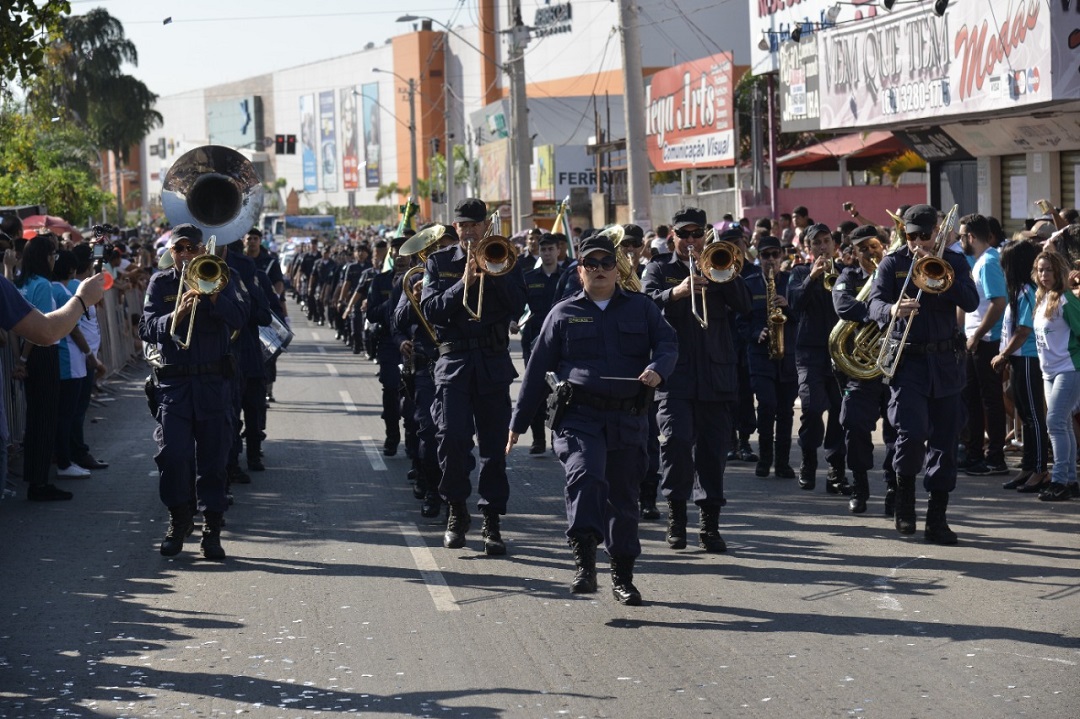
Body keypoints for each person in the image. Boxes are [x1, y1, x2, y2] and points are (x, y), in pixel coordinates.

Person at [507, 234, 677, 604]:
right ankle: (585, 563)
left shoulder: (641, 308)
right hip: (580, 416)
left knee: (623, 498)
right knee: (585, 475)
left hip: (628, 418)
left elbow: (668, 343)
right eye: (591, 264)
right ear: (579, 270)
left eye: (606, 263)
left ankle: (623, 575)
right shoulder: (563, 313)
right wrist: (518, 424)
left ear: (618, 268)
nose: (599, 270)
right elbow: (536, 371)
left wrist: (657, 369)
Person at [641, 207, 751, 553]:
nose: (690, 240)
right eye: (684, 234)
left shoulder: (720, 264)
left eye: (696, 234)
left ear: (705, 235)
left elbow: (747, 305)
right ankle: (676, 519)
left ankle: (710, 525)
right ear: (672, 235)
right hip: (675, 375)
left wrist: (725, 273)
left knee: (713, 452)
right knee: (675, 442)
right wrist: (676, 293)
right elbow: (644, 306)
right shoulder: (659, 268)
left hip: (716, 375)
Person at [420, 198, 526, 554]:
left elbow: (518, 305)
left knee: (494, 449)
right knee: (451, 441)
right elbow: (431, 309)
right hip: (454, 364)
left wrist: (492, 275)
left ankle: (492, 521)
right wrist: (462, 281)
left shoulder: (506, 258)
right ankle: (456, 511)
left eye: (474, 225)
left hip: (493, 363)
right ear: (456, 226)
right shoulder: (438, 262)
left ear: (486, 227)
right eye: (462, 226)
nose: (468, 231)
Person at [868, 204, 979, 544]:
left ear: (937, 232)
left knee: (945, 442)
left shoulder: (955, 261)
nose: (918, 242)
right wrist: (891, 309)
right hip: (909, 363)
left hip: (946, 363)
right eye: (911, 235)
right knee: (912, 434)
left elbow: (972, 301)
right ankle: (904, 503)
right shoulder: (893, 263)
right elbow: (873, 303)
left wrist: (942, 280)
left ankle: (937, 518)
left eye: (924, 235)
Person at [140, 224, 245, 559]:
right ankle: (179, 518)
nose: (185, 255)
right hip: (174, 385)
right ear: (171, 253)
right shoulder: (161, 283)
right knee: (173, 455)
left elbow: (244, 316)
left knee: (214, 459)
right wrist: (177, 313)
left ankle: (212, 529)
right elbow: (146, 327)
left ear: (203, 250)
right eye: (178, 250)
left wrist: (215, 297)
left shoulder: (222, 277)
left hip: (213, 384)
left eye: (190, 249)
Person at [831, 225, 896, 514]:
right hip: (862, 367)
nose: (870, 252)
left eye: (874, 246)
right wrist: (877, 311)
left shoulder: (896, 273)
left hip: (894, 363)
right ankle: (859, 485)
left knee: (898, 431)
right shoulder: (849, 277)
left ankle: (894, 487)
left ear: (884, 246)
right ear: (853, 253)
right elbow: (843, 305)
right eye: (863, 249)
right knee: (854, 424)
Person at [787, 222, 849, 495]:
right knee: (812, 407)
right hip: (810, 351)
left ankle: (836, 467)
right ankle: (809, 458)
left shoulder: (847, 272)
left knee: (841, 410)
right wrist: (812, 278)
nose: (822, 246)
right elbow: (794, 304)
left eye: (826, 241)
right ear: (808, 248)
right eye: (816, 243)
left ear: (834, 244)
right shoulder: (798, 272)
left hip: (841, 353)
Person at [11, 234, 68, 500]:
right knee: (45, 419)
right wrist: (24, 359)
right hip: (41, 353)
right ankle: (40, 483)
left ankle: (35, 478)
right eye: (52, 254)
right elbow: (42, 330)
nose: (54, 259)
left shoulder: (21, 283)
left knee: (35, 419)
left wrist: (21, 358)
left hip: (27, 354)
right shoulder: (43, 285)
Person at [990, 240, 1049, 493]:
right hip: (1019, 357)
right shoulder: (1019, 290)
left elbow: (1024, 330)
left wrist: (1003, 354)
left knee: (1034, 415)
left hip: (1028, 357)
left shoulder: (1027, 291)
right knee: (1024, 415)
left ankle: (1040, 469)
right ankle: (1027, 466)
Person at [738, 236, 797, 480]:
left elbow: (804, 316)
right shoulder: (749, 284)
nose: (771, 260)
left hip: (787, 355)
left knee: (785, 411)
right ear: (759, 258)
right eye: (765, 256)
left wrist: (789, 306)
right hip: (760, 355)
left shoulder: (792, 283)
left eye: (775, 255)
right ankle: (765, 459)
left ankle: (782, 463)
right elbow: (739, 321)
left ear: (781, 256)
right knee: (767, 406)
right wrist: (755, 332)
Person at [956, 214, 1009, 476]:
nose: (959, 239)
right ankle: (975, 452)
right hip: (975, 340)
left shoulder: (988, 262)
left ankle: (995, 457)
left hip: (986, 342)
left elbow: (999, 302)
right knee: (973, 399)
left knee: (989, 400)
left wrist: (977, 335)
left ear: (970, 236)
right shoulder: (979, 262)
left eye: (961, 235)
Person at [1029, 251, 1080, 501]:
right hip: (1049, 371)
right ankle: (1070, 481)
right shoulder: (1043, 298)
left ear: (1059, 271)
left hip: (1069, 369)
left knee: (1055, 423)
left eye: (1048, 269)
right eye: (1040, 269)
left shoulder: (1066, 300)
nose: (1043, 274)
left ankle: (1059, 480)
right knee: (1063, 424)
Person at [512, 232, 562, 454]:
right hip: (533, 342)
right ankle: (538, 440)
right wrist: (513, 321)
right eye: (543, 250)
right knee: (535, 390)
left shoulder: (568, 277)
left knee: (559, 392)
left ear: (558, 251)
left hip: (561, 343)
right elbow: (517, 306)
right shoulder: (529, 278)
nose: (547, 253)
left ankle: (556, 440)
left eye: (551, 249)